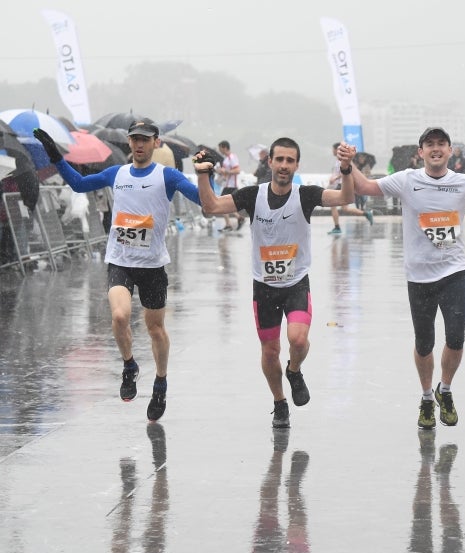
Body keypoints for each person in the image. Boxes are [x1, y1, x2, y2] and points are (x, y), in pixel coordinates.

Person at [348, 126, 465, 430]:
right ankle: (425, 397)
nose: (436, 149)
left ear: (450, 151)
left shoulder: (463, 184)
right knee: (424, 343)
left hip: (453, 272)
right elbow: (366, 187)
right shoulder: (407, 179)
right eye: (429, 144)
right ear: (420, 152)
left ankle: (444, 390)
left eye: (441, 144)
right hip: (419, 275)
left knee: (456, 338)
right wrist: (348, 165)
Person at [33, 120, 202, 422]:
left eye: (145, 140)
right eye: (135, 139)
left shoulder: (168, 176)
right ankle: (129, 366)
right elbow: (79, 185)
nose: (139, 145)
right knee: (120, 316)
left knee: (155, 329)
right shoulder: (117, 173)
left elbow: (203, 200)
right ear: (129, 142)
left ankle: (160, 382)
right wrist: (55, 156)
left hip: (151, 266)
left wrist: (205, 175)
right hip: (120, 261)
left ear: (155, 143)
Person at [194, 138, 358, 429]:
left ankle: (294, 371)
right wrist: (202, 174)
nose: (284, 166)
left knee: (297, 340)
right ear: (269, 162)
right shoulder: (251, 196)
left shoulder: (305, 195)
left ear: (297, 165)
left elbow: (344, 198)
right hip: (264, 288)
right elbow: (211, 206)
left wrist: (346, 169)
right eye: (279, 159)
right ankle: (280, 402)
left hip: (296, 283)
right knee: (270, 352)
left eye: (289, 161)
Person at [327, 142, 373, 234]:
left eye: (333, 149)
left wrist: (335, 178)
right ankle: (365, 213)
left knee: (332, 205)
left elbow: (344, 170)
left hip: (339, 184)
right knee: (345, 209)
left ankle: (337, 227)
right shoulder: (338, 160)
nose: (332, 151)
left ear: (337, 150)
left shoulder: (341, 160)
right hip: (339, 184)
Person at [215, 140, 245, 231]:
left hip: (232, 185)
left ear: (224, 147)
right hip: (226, 184)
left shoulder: (232, 157)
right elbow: (225, 173)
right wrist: (219, 171)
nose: (219, 151)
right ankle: (238, 218)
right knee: (225, 205)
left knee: (222, 204)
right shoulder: (226, 159)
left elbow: (237, 170)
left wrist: (226, 171)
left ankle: (230, 223)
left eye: (220, 148)